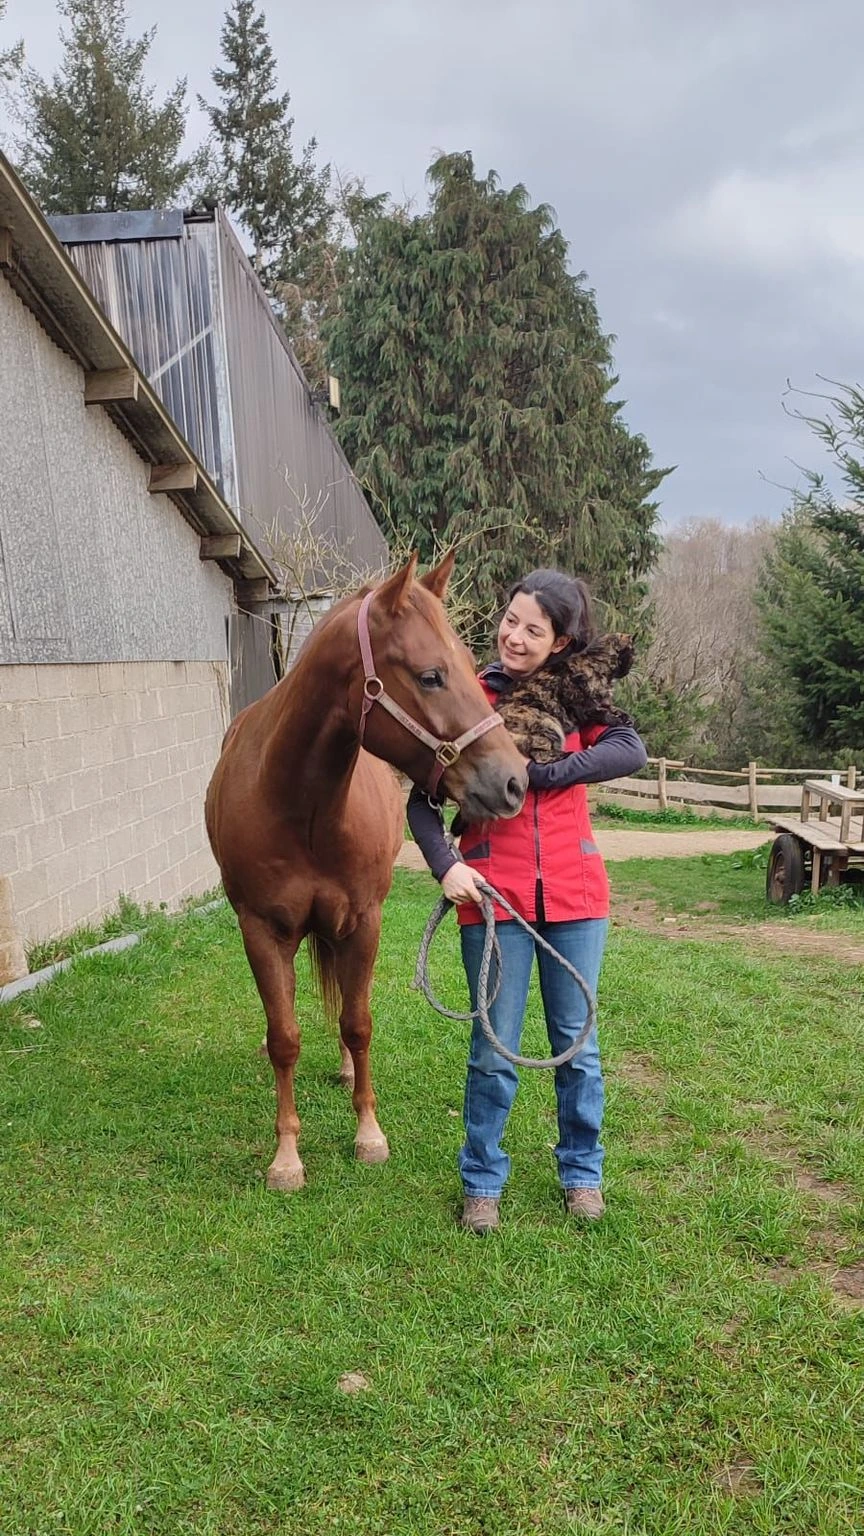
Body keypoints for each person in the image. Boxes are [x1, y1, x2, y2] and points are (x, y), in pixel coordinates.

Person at [407, 569, 647, 1234]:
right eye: (510, 620)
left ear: (561, 641)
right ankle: (482, 1181)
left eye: (532, 629)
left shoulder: (579, 700)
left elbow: (631, 750)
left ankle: (582, 1174)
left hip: (575, 894)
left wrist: (541, 775)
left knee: (577, 1047)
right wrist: (445, 865)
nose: (514, 635)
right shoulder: (471, 697)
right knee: (493, 1049)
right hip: (490, 896)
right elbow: (422, 801)